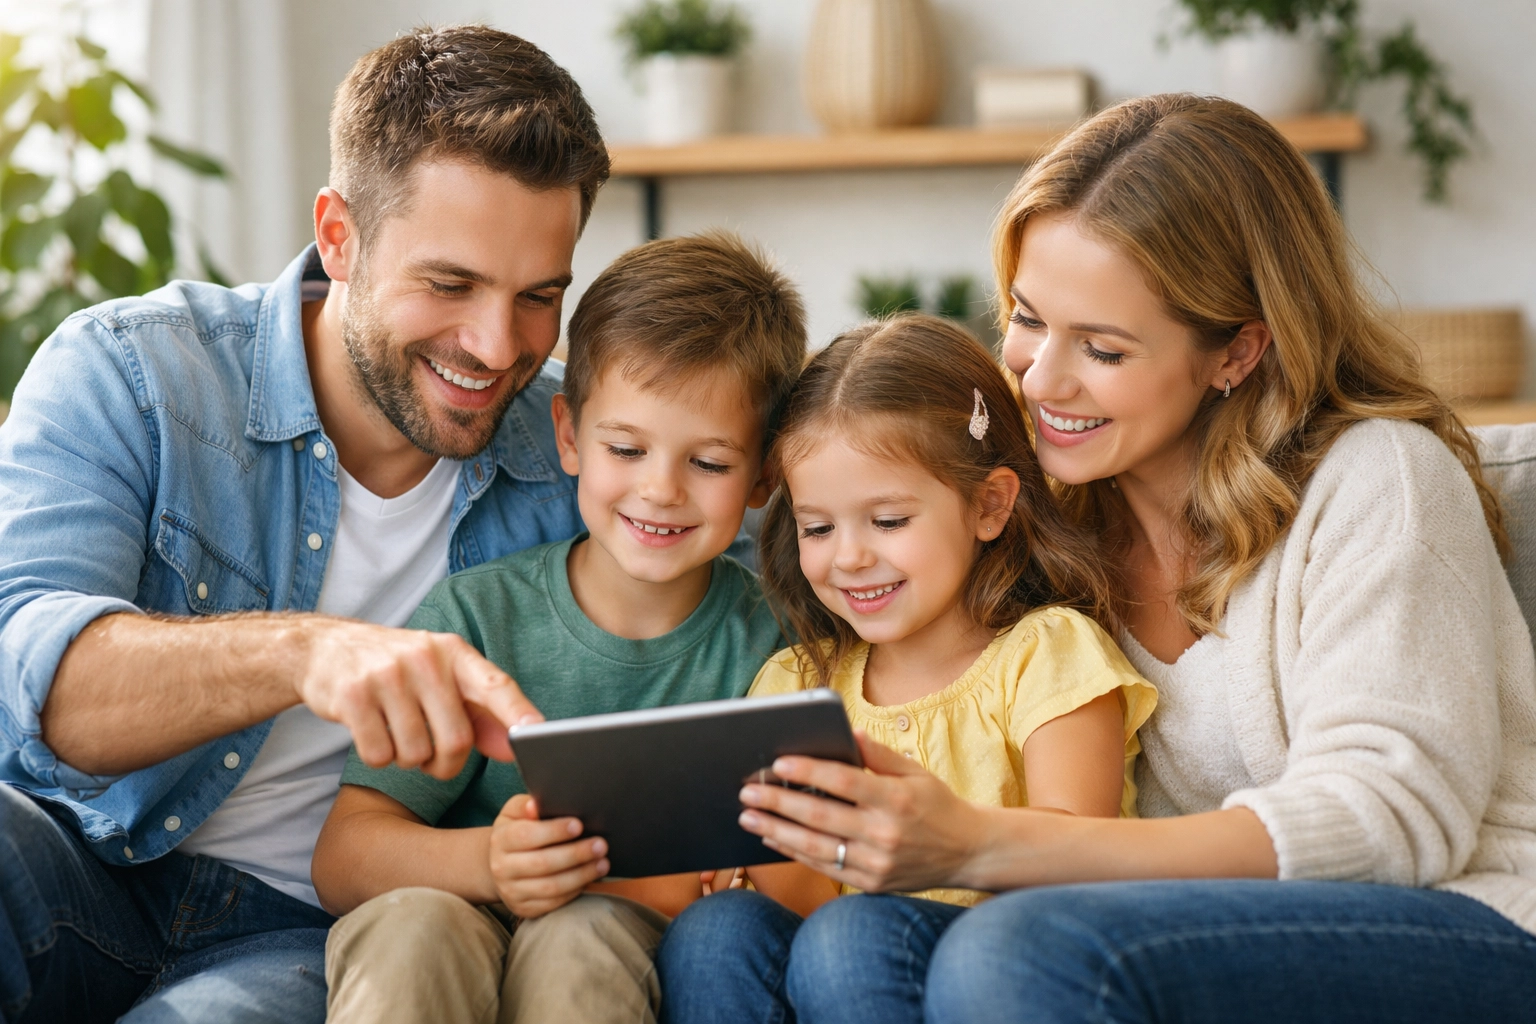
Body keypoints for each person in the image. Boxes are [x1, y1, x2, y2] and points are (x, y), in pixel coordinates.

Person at [664, 94, 1536, 1024]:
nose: (1040, 379)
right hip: (1176, 930)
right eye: (1028, 319)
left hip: (1458, 923)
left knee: (1011, 952)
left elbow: (1392, 824)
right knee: (797, 938)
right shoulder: (1036, 508)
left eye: (1104, 349)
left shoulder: (1379, 478)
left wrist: (982, 845)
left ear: (1237, 350)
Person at [0, 26, 610, 1024]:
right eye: (450, 285)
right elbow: (37, 683)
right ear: (339, 235)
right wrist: (309, 653)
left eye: (540, 297)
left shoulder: (577, 465)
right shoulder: (136, 372)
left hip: (301, 933)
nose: (499, 346)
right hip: (75, 854)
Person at [315, 232, 810, 1024]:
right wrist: (489, 862)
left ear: (763, 478)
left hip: (623, 949)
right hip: (448, 914)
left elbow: (782, 880)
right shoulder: (475, 617)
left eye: (709, 464)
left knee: (580, 936)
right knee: (413, 927)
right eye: (627, 447)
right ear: (570, 436)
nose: (660, 490)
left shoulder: (777, 650)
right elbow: (345, 857)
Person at [657, 312, 1158, 1022]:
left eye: (888, 521)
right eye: (818, 527)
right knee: (718, 931)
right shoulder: (797, 685)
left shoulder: (1047, 655)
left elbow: (1076, 863)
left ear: (989, 506)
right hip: (834, 971)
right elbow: (797, 905)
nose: (851, 556)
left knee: (851, 932)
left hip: (1006, 967)